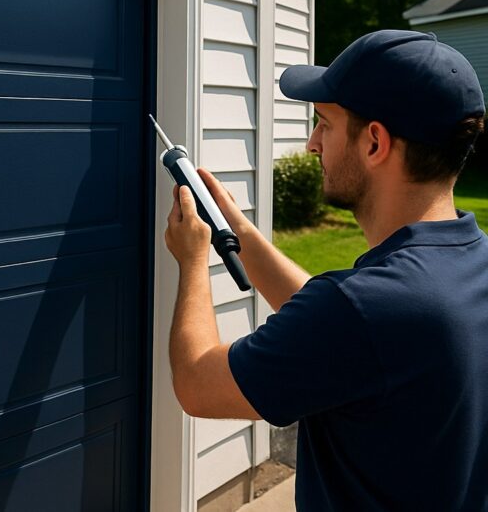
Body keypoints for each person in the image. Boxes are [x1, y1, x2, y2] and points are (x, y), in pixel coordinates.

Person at [163, 29, 488, 511]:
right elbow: (350, 335)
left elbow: (197, 384)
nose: (313, 144)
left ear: (375, 142)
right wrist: (238, 231)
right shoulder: (465, 267)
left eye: (325, 125)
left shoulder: (363, 308)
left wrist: (192, 260)